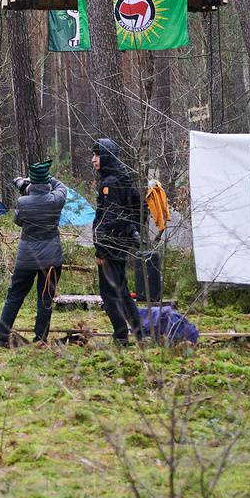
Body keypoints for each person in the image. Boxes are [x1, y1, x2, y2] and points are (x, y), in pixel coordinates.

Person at [0, 160, 67, 345]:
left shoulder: (22, 202)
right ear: (47, 183)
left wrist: (26, 186)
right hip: (51, 258)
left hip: (26, 258)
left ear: (31, 182)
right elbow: (61, 187)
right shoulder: (56, 199)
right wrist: (44, 178)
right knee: (45, 299)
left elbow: (18, 221)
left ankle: (1, 337)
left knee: (15, 296)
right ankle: (40, 339)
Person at [91, 138, 146, 344]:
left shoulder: (111, 183)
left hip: (111, 246)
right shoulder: (121, 178)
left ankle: (121, 335)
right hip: (119, 243)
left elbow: (109, 217)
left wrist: (101, 250)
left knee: (110, 294)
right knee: (121, 290)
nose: (93, 160)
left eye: (97, 155)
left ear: (106, 157)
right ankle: (139, 333)